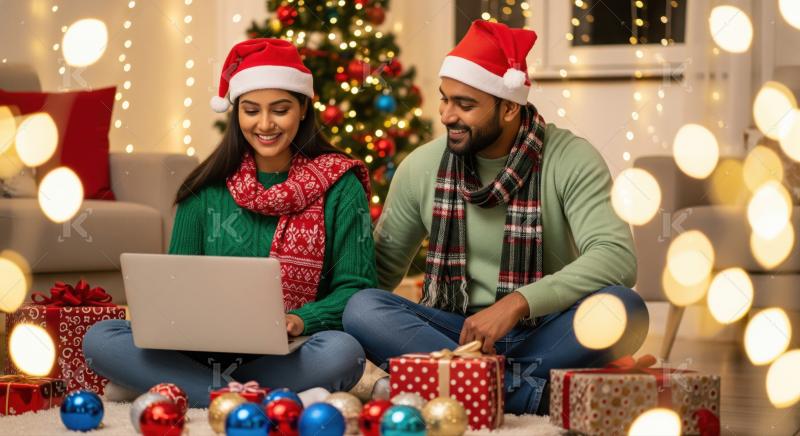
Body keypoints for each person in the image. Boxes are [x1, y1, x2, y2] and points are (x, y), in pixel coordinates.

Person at [342, 20, 649, 415]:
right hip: (456, 336)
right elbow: (379, 273)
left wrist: (518, 303)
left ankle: (464, 387)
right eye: (445, 99)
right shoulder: (421, 167)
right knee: (363, 308)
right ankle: (529, 395)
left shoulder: (570, 159)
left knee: (625, 309)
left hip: (545, 330)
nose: (447, 115)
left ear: (508, 107)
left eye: (465, 105)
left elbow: (617, 258)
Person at [83, 39, 376, 407]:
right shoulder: (204, 189)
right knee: (100, 338)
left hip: (291, 349)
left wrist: (298, 320)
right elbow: (175, 288)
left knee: (343, 353)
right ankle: (245, 394)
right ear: (236, 112)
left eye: (280, 110)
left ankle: (185, 388)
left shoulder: (340, 186)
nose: (265, 124)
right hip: (200, 348)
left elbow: (356, 289)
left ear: (303, 108)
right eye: (251, 110)